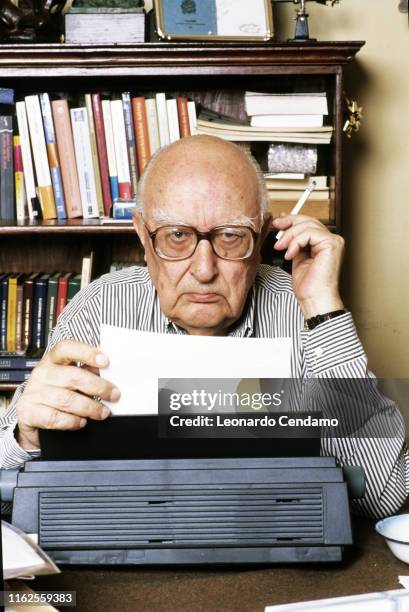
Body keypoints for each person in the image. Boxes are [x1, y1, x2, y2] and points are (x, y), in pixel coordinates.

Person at [0, 135, 407, 518]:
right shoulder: (100, 307)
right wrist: (27, 439)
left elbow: (382, 496)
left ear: (263, 235)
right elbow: (8, 501)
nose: (204, 269)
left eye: (231, 236)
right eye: (177, 235)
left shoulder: (304, 308)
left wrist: (323, 307)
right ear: (143, 234)